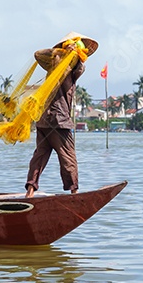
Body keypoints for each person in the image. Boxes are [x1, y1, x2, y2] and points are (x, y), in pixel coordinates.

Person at [24, 34, 96, 198]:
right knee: (68, 156)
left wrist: (71, 53)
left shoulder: (71, 69)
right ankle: (74, 192)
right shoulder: (56, 67)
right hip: (59, 121)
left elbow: (80, 66)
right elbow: (37, 54)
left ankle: (30, 192)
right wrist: (62, 52)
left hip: (43, 121)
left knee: (40, 155)